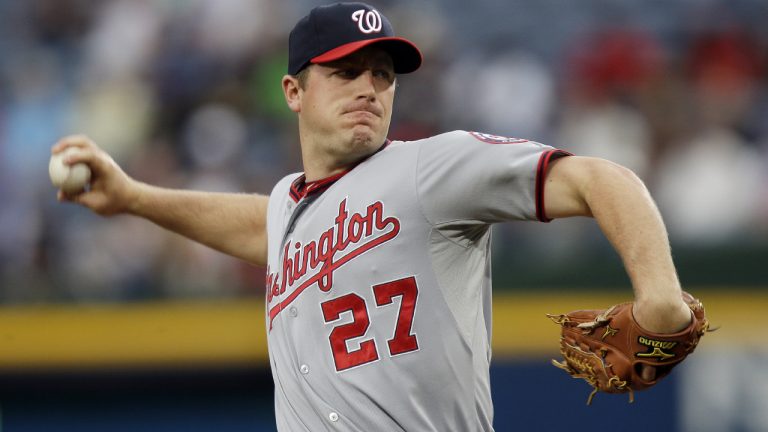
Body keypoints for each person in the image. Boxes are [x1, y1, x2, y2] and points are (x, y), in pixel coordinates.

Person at [53, 3, 692, 431]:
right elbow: (259, 226)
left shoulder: (432, 170)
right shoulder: (290, 208)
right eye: (347, 72)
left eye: (383, 76)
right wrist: (134, 197)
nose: (370, 88)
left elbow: (599, 177)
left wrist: (660, 297)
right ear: (293, 92)